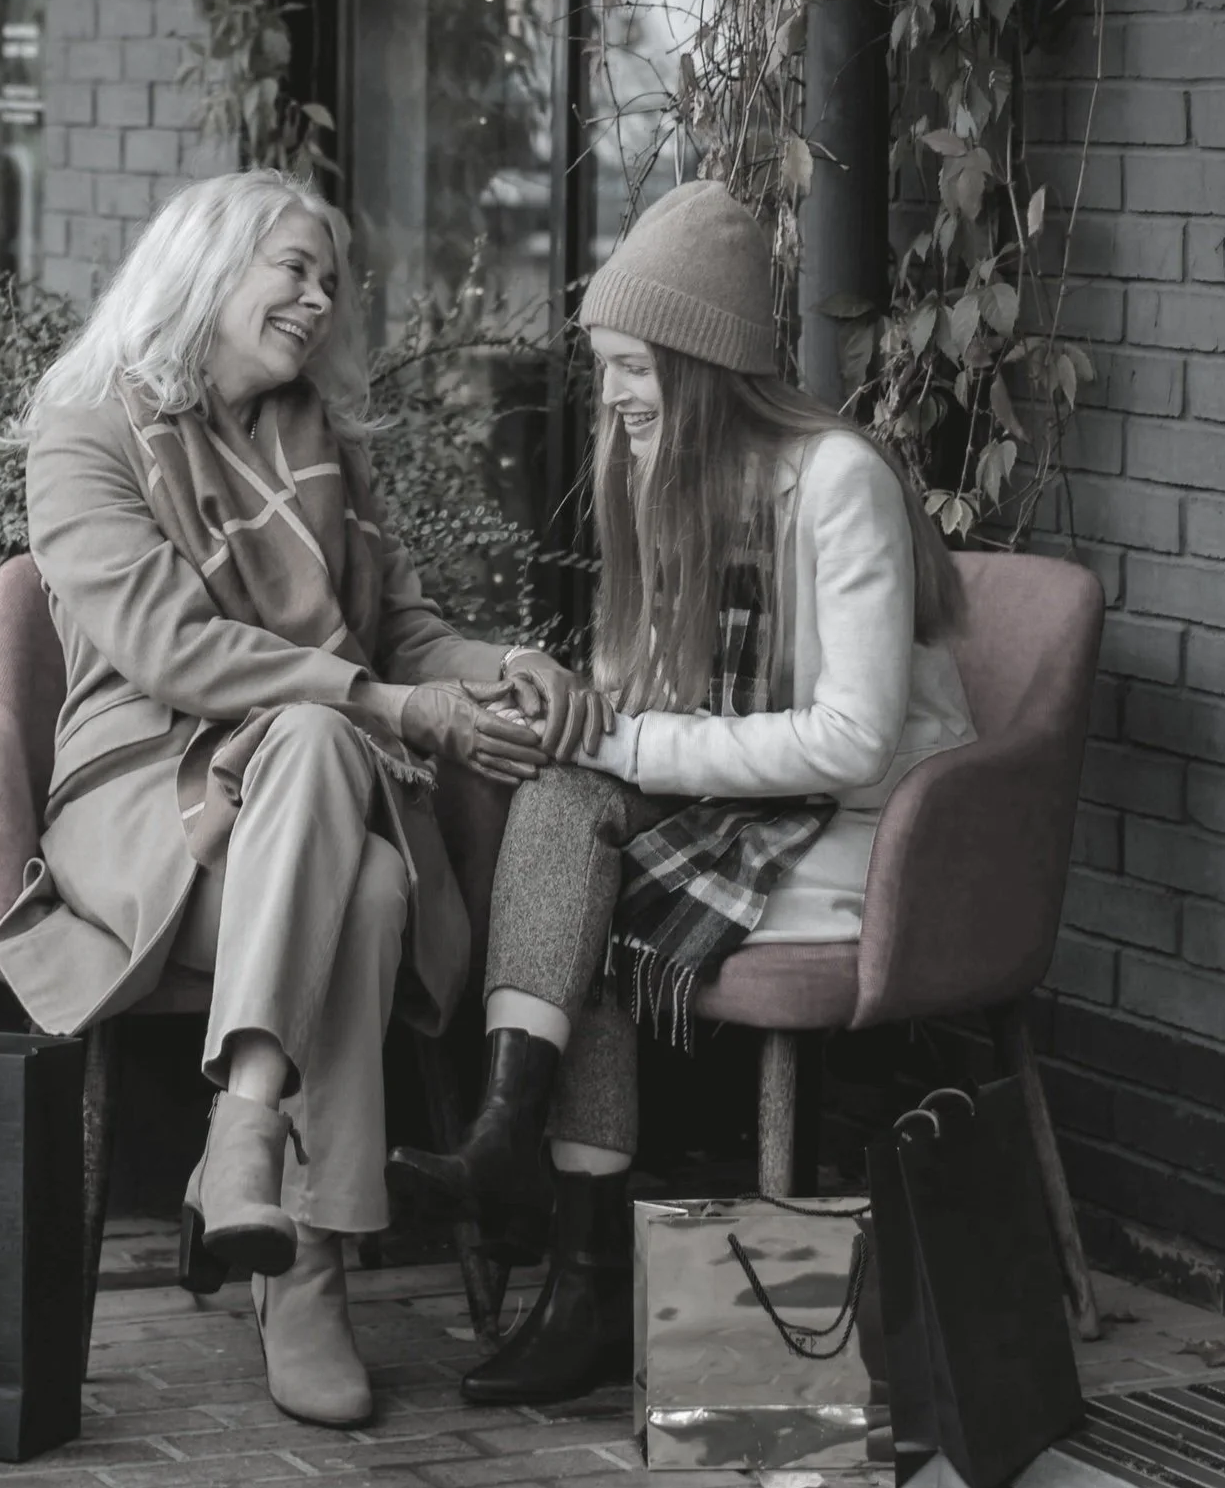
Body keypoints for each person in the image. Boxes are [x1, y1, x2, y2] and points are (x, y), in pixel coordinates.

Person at [0, 171, 600, 1428]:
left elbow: (406, 632)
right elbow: (172, 650)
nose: (318, 299)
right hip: (140, 793)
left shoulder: (324, 443)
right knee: (351, 814)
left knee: (360, 851)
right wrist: (380, 705)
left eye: (329, 280)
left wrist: (505, 666)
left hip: (295, 814)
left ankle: (249, 1143)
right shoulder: (85, 429)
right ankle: (314, 1264)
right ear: (206, 267)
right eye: (292, 268)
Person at [394, 179, 973, 1407]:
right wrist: (568, 714)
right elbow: (641, 692)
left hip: (867, 837)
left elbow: (854, 740)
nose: (608, 396)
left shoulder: (837, 482)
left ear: (704, 365)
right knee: (560, 805)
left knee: (589, 881)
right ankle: (542, 1193)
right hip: (736, 809)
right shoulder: (664, 474)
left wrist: (631, 749)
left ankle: (567, 1240)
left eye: (631, 368)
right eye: (603, 366)